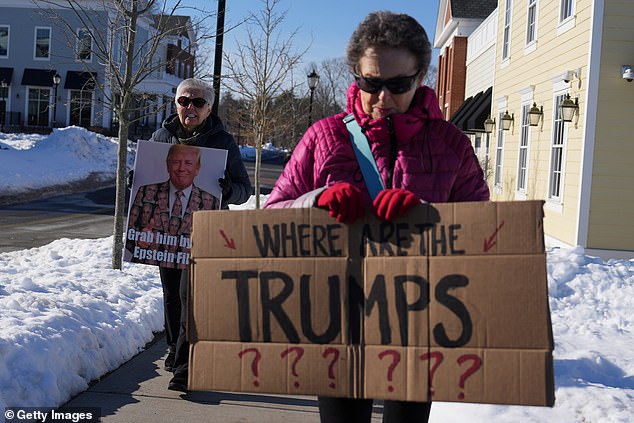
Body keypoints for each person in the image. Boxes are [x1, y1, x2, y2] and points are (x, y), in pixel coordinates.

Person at [264, 11, 489, 423]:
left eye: (398, 85)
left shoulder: (451, 145)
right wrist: (317, 199)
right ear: (356, 75)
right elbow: (270, 216)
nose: (383, 99)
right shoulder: (323, 137)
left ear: (421, 76)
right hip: (337, 320)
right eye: (371, 83)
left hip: (421, 323)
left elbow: (481, 231)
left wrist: (426, 217)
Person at [146, 78, 252, 392]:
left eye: (198, 102)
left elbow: (244, 190)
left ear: (208, 108)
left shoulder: (223, 141)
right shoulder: (161, 136)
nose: (190, 108)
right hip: (167, 230)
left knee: (190, 296)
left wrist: (230, 191)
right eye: (184, 101)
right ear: (175, 103)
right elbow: (146, 180)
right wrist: (134, 182)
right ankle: (174, 348)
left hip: (205, 232)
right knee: (171, 295)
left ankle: (184, 366)